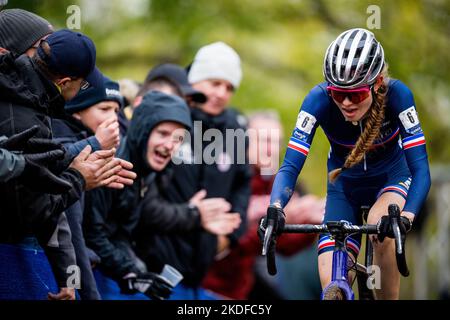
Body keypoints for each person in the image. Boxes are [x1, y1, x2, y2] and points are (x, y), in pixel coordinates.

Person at [260, 28, 431, 300]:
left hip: (392, 179)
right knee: (332, 286)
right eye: (339, 95)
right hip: (344, 188)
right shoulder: (317, 99)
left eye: (357, 94)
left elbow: (421, 168)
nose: (347, 103)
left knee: (381, 225)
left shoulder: (398, 96)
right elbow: (290, 166)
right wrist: (276, 208)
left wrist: (407, 216)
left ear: (377, 84)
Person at [0, 28, 127, 300]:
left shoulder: (30, 97)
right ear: (66, 81)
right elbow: (33, 210)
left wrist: (67, 278)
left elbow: (51, 212)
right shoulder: (23, 115)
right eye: (83, 85)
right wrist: (80, 179)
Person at [148, 42, 251, 299]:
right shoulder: (168, 120)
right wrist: (191, 214)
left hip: (200, 267)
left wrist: (230, 237)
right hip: (152, 262)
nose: (221, 93)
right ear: (195, 80)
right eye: (214, 83)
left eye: (229, 87)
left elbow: (242, 184)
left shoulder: (235, 130)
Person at [201, 111, 324, 299]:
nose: (271, 149)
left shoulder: (275, 184)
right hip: (206, 285)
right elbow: (227, 246)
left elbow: (282, 248)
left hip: (239, 290)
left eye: (276, 142)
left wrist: (308, 225)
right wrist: (269, 220)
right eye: (264, 140)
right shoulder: (225, 177)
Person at [83, 91, 192, 300]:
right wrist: (129, 271)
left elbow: (121, 233)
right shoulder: (113, 162)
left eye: (178, 138)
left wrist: (137, 273)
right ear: (144, 129)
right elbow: (91, 233)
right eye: (163, 133)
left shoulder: (145, 172)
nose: (170, 145)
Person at [51, 75, 126, 300]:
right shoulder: (70, 149)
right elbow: (73, 236)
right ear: (77, 110)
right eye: (104, 109)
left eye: (116, 111)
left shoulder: (89, 146)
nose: (114, 119)